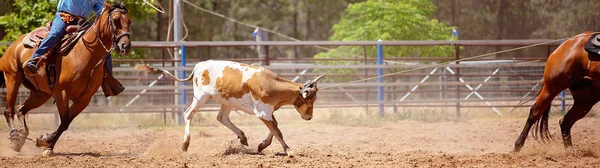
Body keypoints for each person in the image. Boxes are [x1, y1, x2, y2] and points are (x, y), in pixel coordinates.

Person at [24, 0, 105, 74]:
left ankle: (107, 76)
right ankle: (34, 59)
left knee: (101, 42)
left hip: (82, 22)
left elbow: (100, 10)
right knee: (55, 35)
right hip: (64, 16)